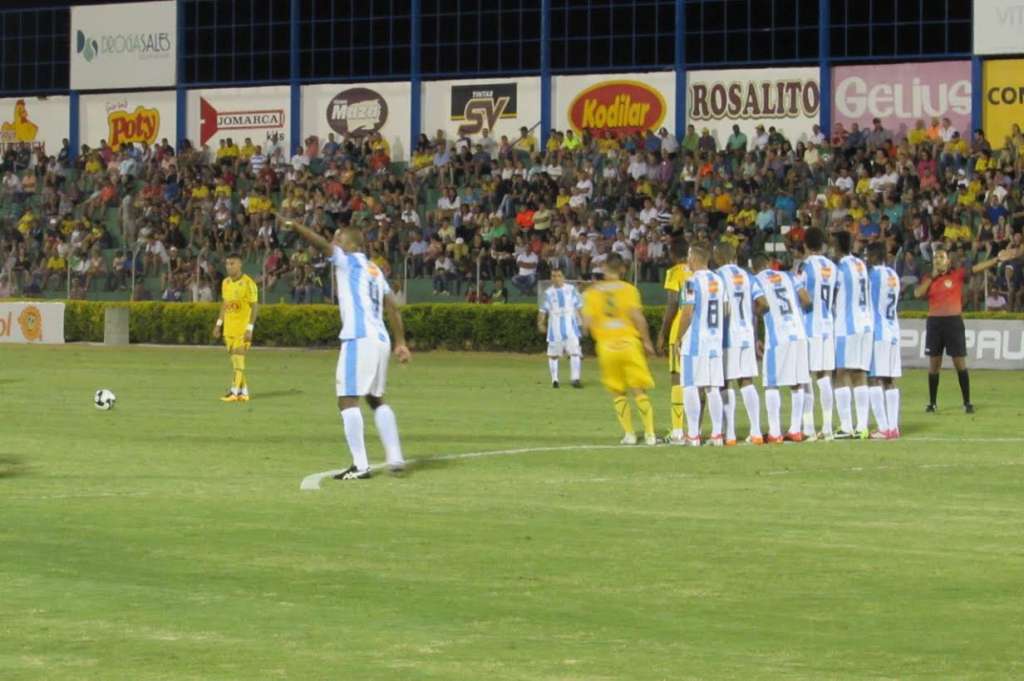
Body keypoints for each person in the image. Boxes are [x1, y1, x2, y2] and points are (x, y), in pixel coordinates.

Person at [286, 218, 411, 480]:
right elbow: (392, 306)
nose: (335, 242)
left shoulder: (348, 261)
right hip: (381, 338)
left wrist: (297, 227)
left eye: (339, 238)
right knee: (375, 398)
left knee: (346, 398)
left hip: (359, 337)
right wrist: (400, 342)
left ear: (351, 244)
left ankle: (360, 465)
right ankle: (395, 456)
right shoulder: (375, 270)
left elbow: (321, 245)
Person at [914, 246, 1006, 414]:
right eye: (935, 258)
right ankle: (932, 403)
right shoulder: (928, 278)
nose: (938, 260)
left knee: (959, 364)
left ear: (948, 261)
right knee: (934, 365)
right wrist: (931, 278)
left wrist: (996, 260)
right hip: (934, 323)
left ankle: (967, 402)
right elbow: (917, 294)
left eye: (941, 257)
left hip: (953, 322)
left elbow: (976, 268)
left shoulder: (957, 274)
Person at [582, 252, 657, 446]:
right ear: (622, 269)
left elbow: (586, 324)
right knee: (639, 390)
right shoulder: (629, 290)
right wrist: (647, 341)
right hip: (629, 344)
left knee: (617, 392)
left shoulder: (592, 292)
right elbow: (638, 318)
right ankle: (650, 434)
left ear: (604, 268)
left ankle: (630, 434)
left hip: (607, 347)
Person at [751, 253, 809, 444]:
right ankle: (795, 430)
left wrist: (757, 317)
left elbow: (763, 305)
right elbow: (806, 300)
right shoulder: (790, 276)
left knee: (771, 382)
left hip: (778, 335)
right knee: (798, 381)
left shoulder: (756, 280)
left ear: (754, 268)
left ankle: (775, 432)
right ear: (769, 264)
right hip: (799, 333)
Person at [677, 244, 726, 447]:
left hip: (695, 343)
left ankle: (693, 435)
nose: (687, 260)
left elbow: (687, 313)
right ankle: (716, 435)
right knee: (713, 387)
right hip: (714, 341)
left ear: (695, 258)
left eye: (689, 256)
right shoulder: (718, 280)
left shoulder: (691, 282)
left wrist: (678, 337)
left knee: (690, 386)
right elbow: (725, 309)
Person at [714, 242, 762, 445]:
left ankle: (730, 434)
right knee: (747, 381)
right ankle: (757, 431)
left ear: (718, 256)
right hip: (746, 334)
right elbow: (762, 303)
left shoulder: (716, 276)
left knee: (725, 382)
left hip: (727, 336)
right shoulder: (748, 276)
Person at [831, 231, 874, 439]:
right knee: (859, 373)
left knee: (840, 373)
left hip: (846, 326)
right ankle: (862, 426)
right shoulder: (860, 266)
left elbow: (831, 296)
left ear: (837, 246)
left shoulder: (839, 270)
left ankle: (846, 426)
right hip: (865, 324)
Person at [797, 227, 838, 440]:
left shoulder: (804, 266)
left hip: (809, 326)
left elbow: (803, 295)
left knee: (806, 377)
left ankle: (809, 427)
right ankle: (828, 427)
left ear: (805, 244)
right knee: (825, 377)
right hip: (827, 326)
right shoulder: (832, 266)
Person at [655, 238, 692, 443]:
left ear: (672, 255)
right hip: (698, 331)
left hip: (679, 329)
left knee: (677, 378)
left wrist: (663, 332)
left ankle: (678, 431)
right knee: (698, 380)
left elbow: (672, 304)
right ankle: (695, 430)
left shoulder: (673, 273)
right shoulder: (698, 271)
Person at [866, 243, 902, 439]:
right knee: (889, 379)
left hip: (878, 333)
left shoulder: (873, 276)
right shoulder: (893, 275)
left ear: (873, 257)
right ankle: (893, 426)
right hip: (893, 330)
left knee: (873, 378)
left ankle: (882, 426)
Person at [212, 254, 259, 402]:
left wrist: (250, 328)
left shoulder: (248, 283)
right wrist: (218, 324)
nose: (229, 266)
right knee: (236, 363)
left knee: (239, 360)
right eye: (227, 264)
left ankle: (233, 392)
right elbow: (225, 305)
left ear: (240, 265)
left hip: (242, 330)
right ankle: (243, 392)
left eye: (232, 264)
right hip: (229, 330)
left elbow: (255, 307)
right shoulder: (225, 283)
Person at [537, 268, 583, 389]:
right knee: (553, 355)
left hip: (571, 328)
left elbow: (579, 306)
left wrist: (584, 322)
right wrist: (541, 323)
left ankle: (575, 379)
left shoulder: (571, 290)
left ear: (563, 277)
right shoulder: (548, 293)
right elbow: (543, 311)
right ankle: (555, 379)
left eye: (558, 276)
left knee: (575, 353)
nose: (556, 278)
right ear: (551, 278)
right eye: (553, 276)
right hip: (554, 329)